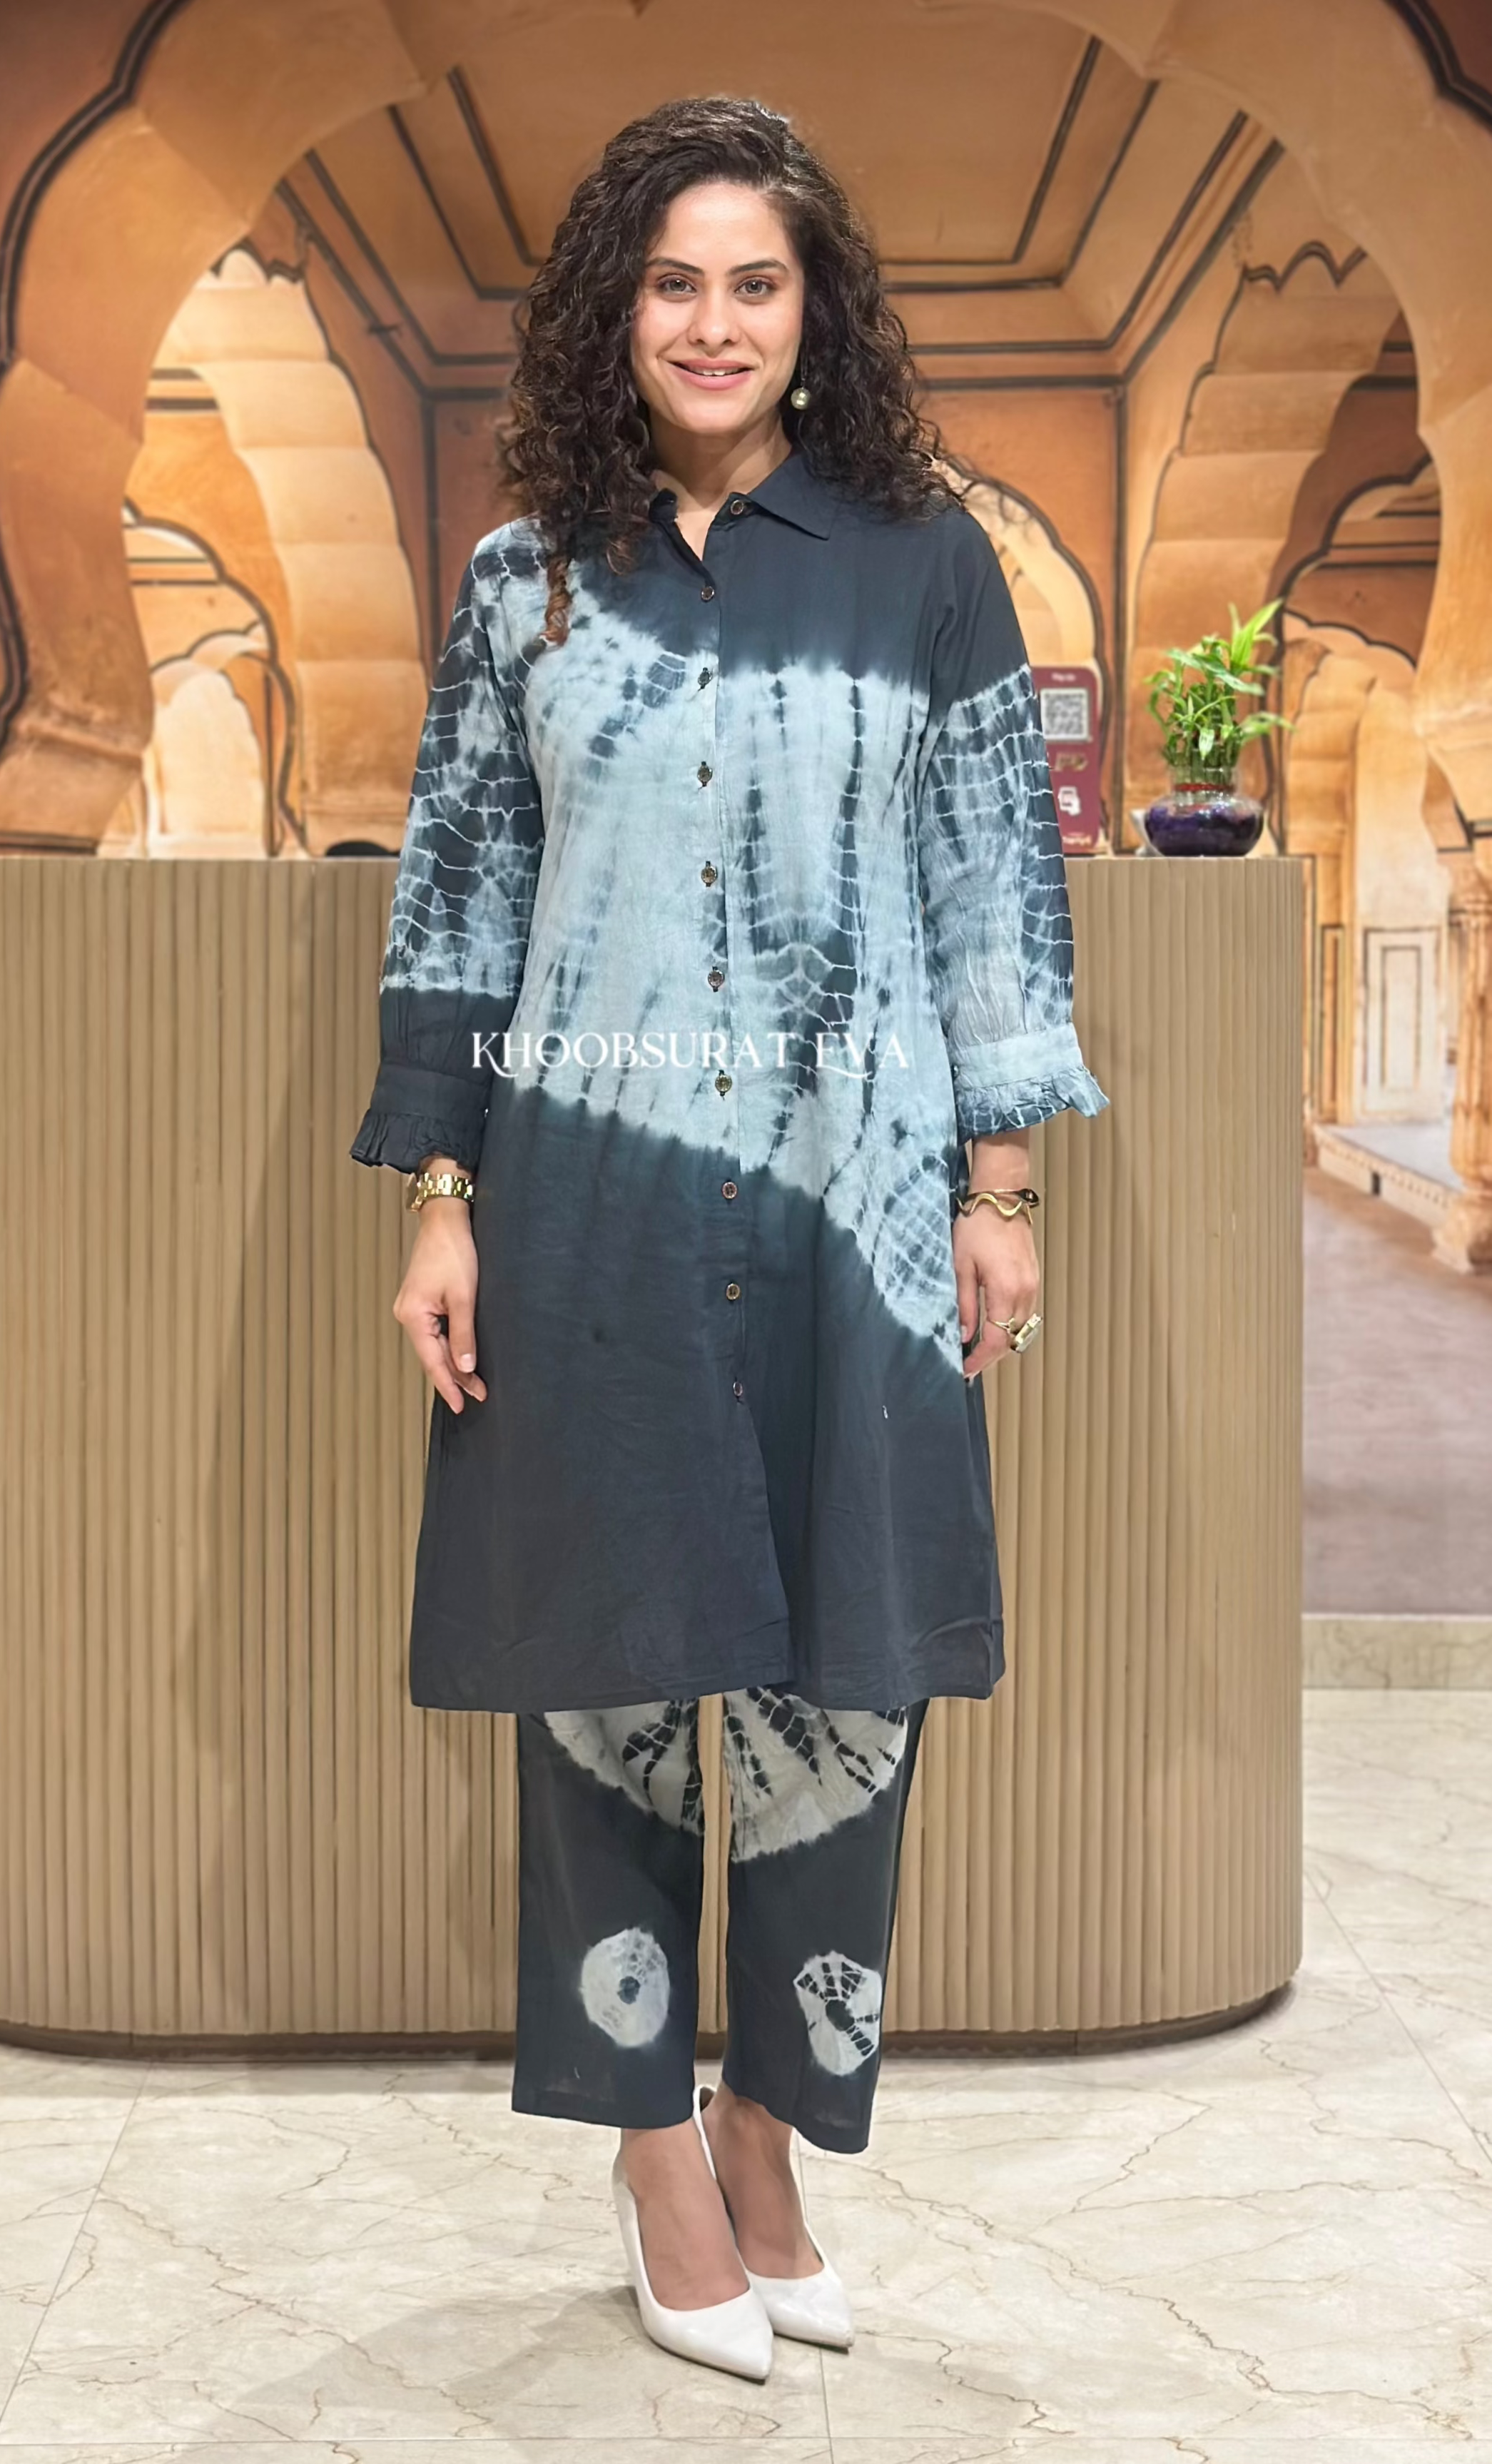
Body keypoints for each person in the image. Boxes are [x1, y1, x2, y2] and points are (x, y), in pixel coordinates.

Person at [350, 95, 1107, 2381]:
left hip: (857, 1207)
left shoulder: (923, 562)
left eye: (753, 282)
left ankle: (770, 2129)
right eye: (673, 281)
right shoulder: (525, 579)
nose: (712, 321)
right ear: (618, 309)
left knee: (847, 1672)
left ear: (812, 313)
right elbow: (459, 895)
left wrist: (997, 1186)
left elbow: (996, 883)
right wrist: (442, 1194)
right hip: (584, 1205)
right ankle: (650, 2144)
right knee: (603, 1660)